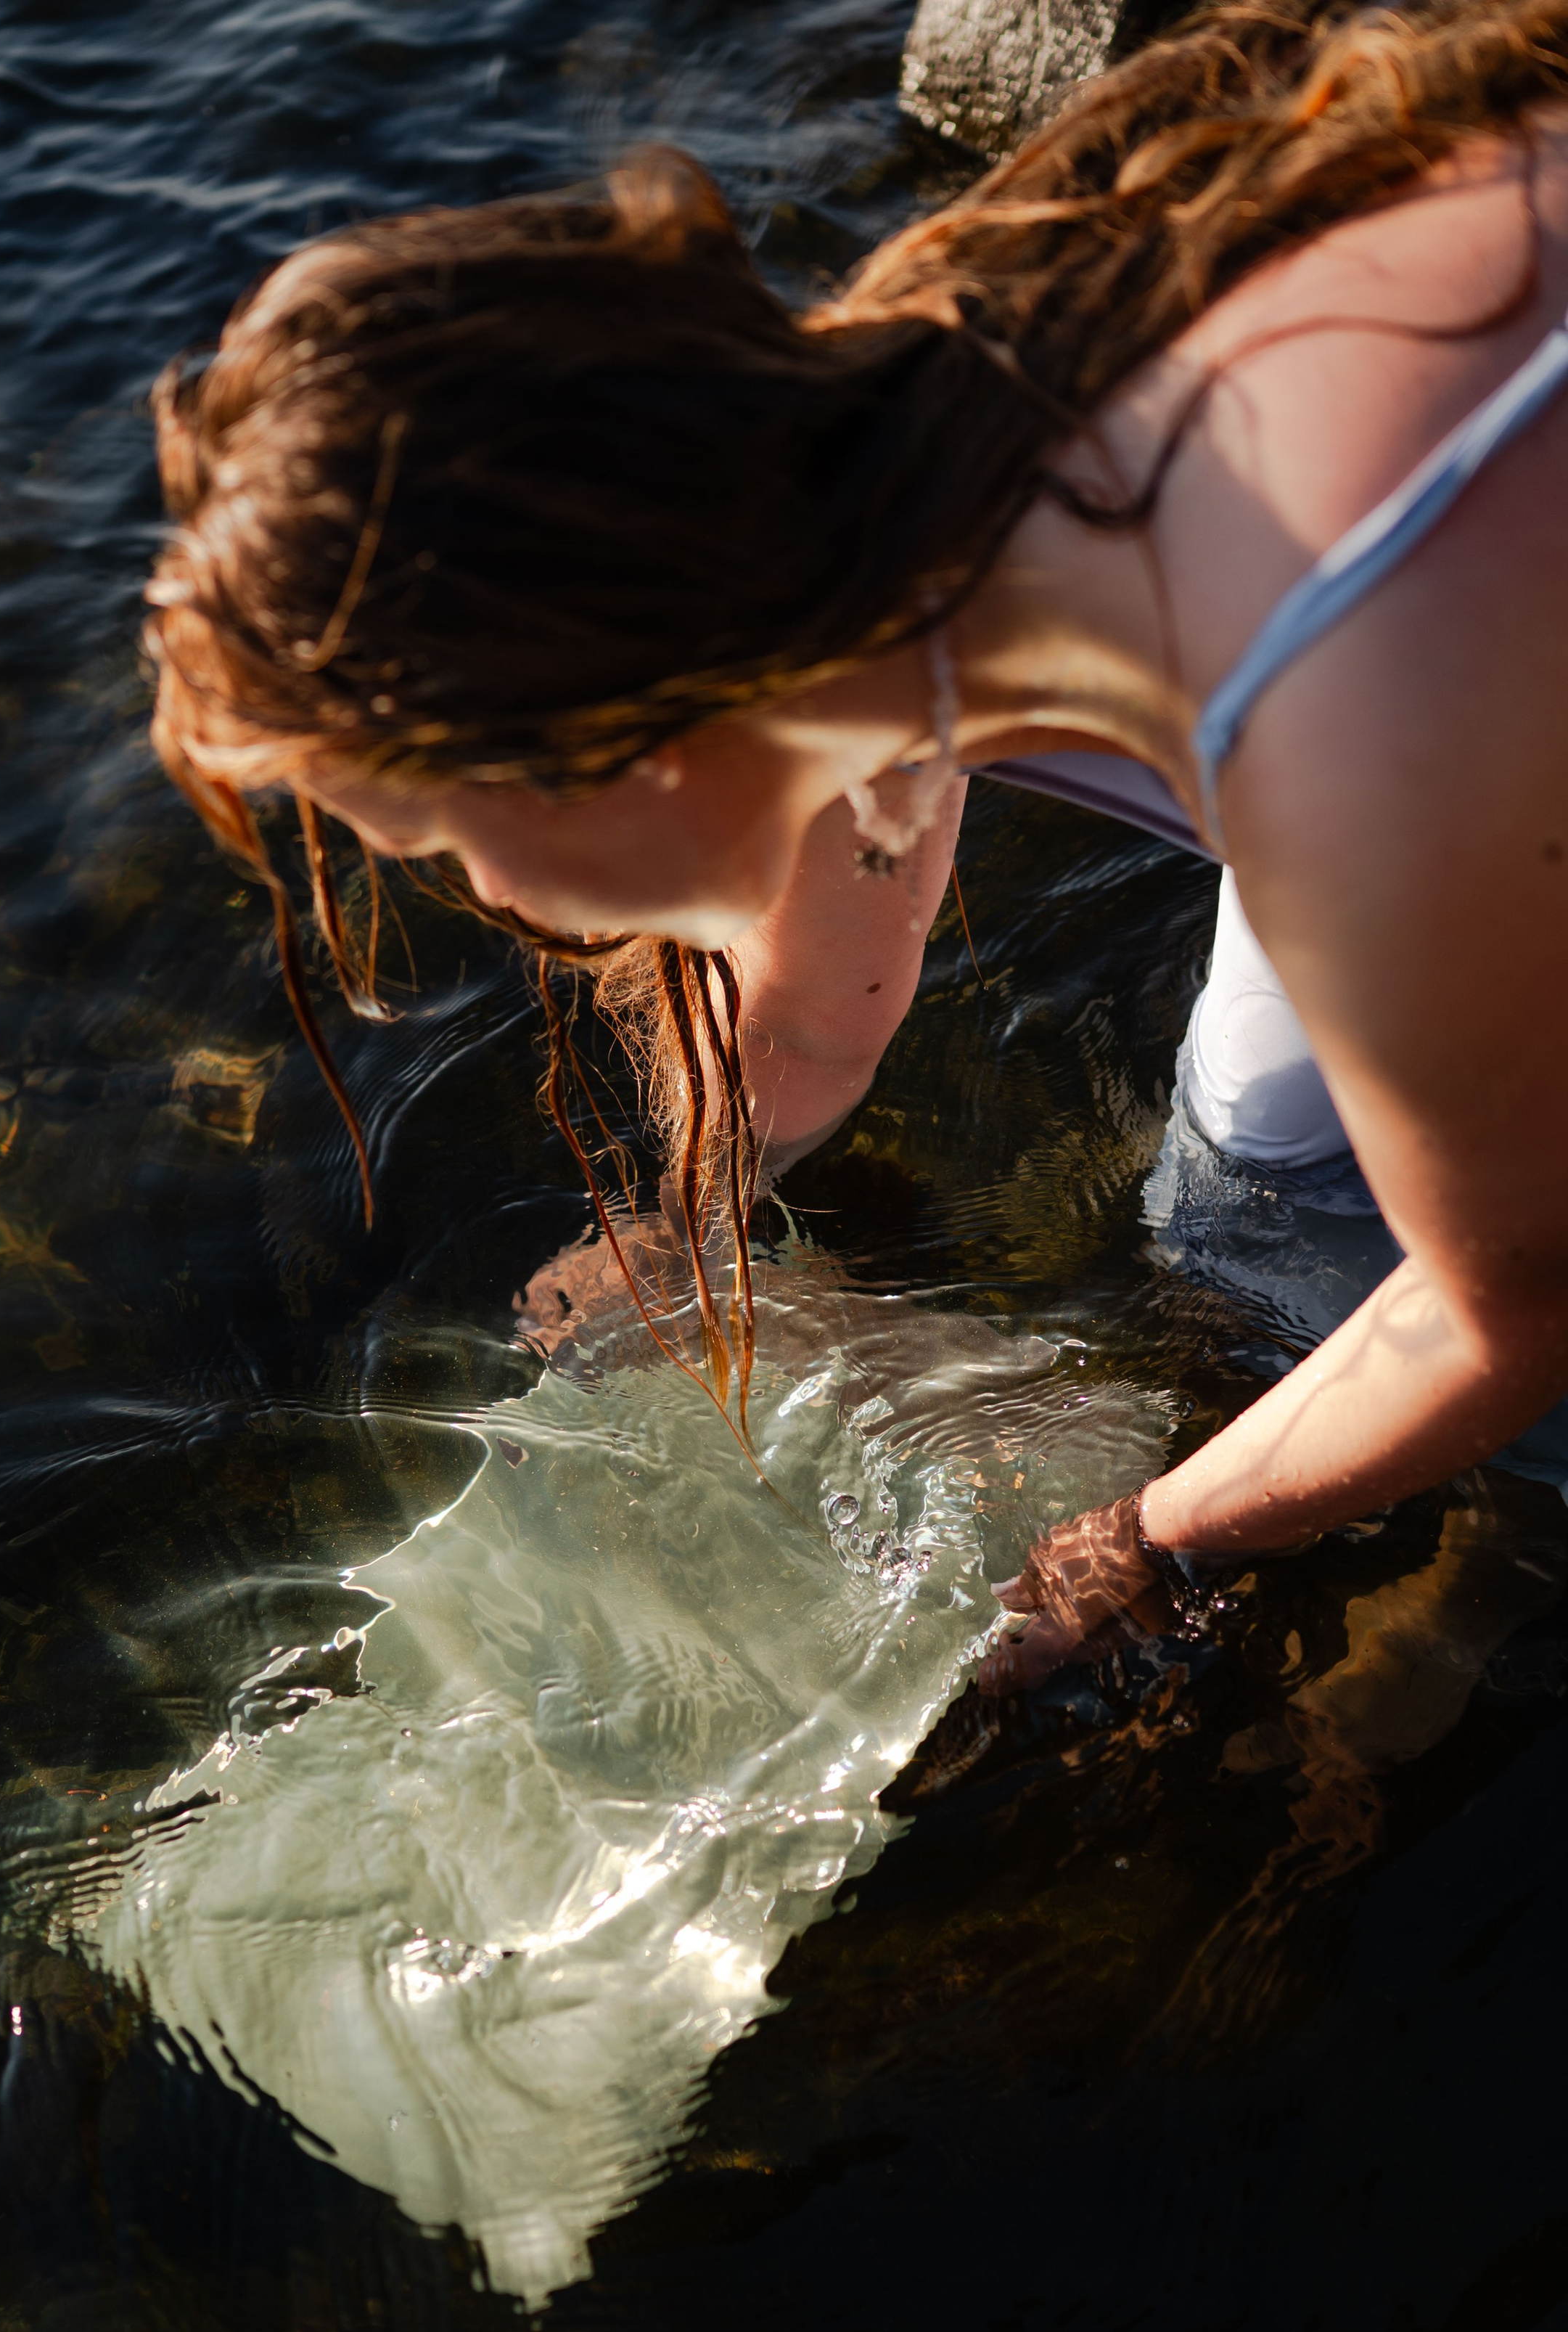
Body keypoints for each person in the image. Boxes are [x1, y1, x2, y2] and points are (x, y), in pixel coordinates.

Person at [143, 0, 1568, 1693]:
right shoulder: (857, 465)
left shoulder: (1340, 731)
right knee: (1240, 1213)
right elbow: (816, 1003)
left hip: (1442, 689)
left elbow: (1509, 1310)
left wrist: (1136, 1541)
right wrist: (701, 1209)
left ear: (641, 735)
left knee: (1447, 1360)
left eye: (452, 841)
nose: (497, 902)